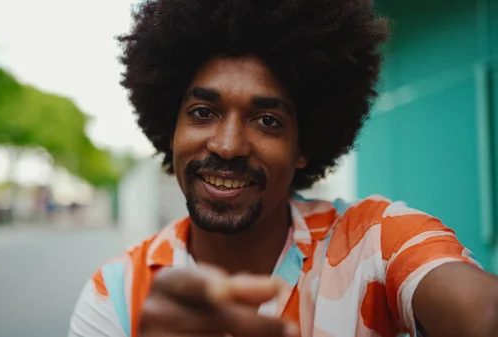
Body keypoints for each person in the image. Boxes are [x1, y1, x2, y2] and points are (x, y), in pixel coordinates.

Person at [68, 1, 498, 336]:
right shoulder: (116, 295)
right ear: (170, 125)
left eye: (267, 121)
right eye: (202, 112)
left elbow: (482, 312)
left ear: (304, 146)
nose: (228, 145)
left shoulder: (375, 244)